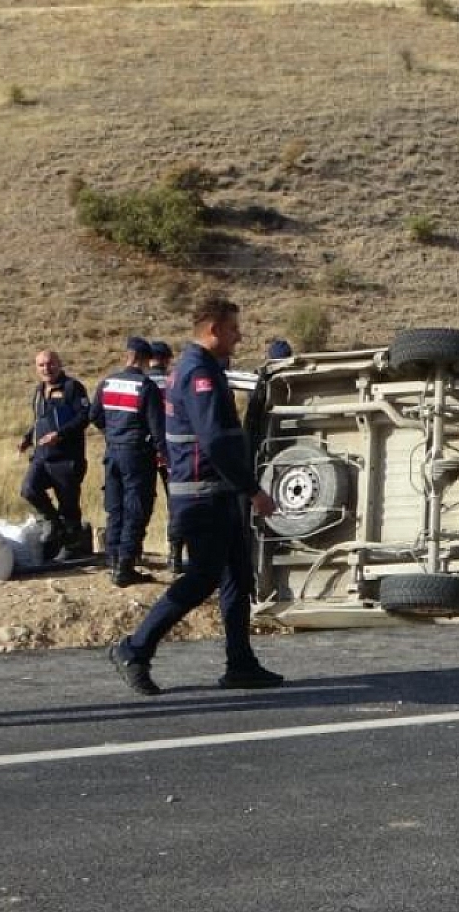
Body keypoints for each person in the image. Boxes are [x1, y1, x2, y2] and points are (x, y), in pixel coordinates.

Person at [108, 294, 284, 694]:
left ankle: (240, 663)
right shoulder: (197, 372)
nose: (239, 337)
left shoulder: (199, 367)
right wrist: (253, 490)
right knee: (203, 577)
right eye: (234, 329)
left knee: (237, 578)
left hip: (217, 493)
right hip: (204, 496)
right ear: (213, 330)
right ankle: (135, 648)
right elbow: (216, 440)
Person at [90, 336, 167, 588]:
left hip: (112, 452)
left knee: (115, 508)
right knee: (136, 508)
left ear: (127, 355)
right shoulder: (146, 387)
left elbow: (95, 416)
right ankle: (125, 566)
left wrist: (112, 433)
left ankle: (112, 560)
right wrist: (164, 455)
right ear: (146, 359)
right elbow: (158, 429)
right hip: (137, 455)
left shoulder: (108, 382)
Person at [18, 349, 92, 559]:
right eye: (41, 365)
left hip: (66, 458)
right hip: (42, 456)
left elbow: (85, 416)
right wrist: (26, 438)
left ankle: (72, 546)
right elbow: (39, 420)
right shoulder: (39, 390)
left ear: (59, 364)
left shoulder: (72, 388)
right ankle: (53, 523)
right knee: (29, 489)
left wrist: (60, 435)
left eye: (50, 364)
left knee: (68, 505)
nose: (46, 369)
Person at [147, 341, 184, 574]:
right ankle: (175, 556)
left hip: (143, 451)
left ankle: (129, 556)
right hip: (173, 450)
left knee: (137, 503)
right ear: (168, 359)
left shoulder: (141, 382)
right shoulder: (176, 382)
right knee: (176, 504)